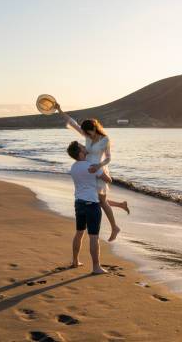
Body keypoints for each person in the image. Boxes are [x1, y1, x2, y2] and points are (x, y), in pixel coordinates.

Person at [56, 103, 129, 242]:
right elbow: (72, 122)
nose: (87, 134)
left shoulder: (105, 139)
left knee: (100, 201)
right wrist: (59, 110)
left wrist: (99, 165)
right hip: (88, 169)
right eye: (85, 132)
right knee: (98, 200)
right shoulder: (87, 136)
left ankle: (114, 227)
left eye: (88, 131)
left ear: (94, 128)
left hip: (98, 169)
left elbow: (109, 158)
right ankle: (119, 213)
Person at [67, 140, 109, 274]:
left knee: (79, 233)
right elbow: (108, 180)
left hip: (79, 203)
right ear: (80, 153)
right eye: (82, 146)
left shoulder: (73, 167)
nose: (85, 147)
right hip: (91, 203)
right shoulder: (91, 166)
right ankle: (96, 267)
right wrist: (102, 166)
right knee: (93, 236)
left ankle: (75, 261)